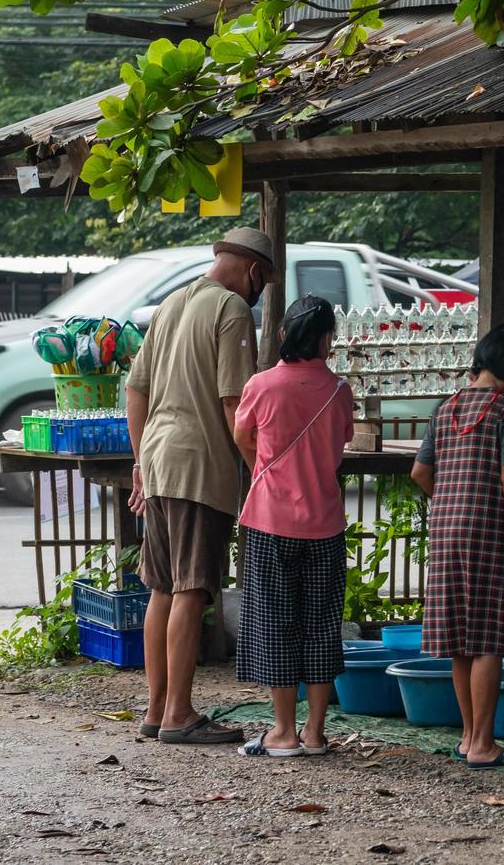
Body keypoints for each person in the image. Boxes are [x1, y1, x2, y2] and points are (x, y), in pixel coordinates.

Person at [126, 227, 277, 745]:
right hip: (198, 466)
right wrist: (262, 469)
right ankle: (180, 715)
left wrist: (140, 463)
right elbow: (236, 406)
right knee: (192, 587)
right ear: (255, 272)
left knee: (162, 588)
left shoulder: (171, 302)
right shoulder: (233, 309)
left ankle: (156, 710)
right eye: (264, 281)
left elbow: (136, 388)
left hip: (159, 459)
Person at [411, 324, 504, 770]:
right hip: (488, 530)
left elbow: (420, 472)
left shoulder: (446, 406)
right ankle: (485, 745)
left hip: (446, 530)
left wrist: (450, 499)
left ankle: (469, 736)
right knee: (489, 637)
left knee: (460, 641)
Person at [231, 296, 354, 757]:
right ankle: (316, 732)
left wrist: (264, 470)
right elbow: (340, 444)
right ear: (326, 339)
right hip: (324, 522)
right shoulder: (340, 391)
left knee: (275, 623)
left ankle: (282, 733)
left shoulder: (261, 386)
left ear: (284, 335)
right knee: (322, 625)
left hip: (269, 521)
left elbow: (244, 437)